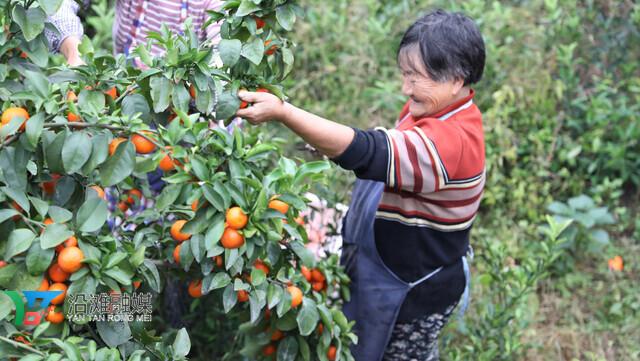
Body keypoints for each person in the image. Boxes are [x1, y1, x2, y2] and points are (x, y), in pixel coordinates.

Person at [236, 9, 486, 361]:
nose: (405, 87)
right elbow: (385, 152)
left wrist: (285, 113)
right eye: (405, 74)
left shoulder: (452, 141)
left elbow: (370, 152)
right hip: (391, 265)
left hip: (413, 290)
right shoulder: (434, 109)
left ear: (456, 79)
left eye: (415, 77)